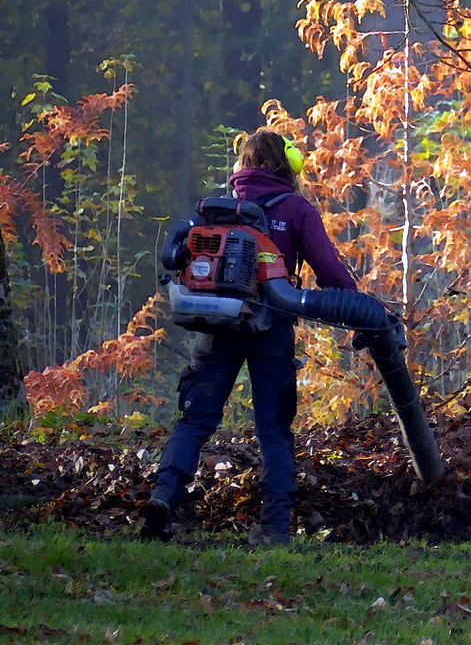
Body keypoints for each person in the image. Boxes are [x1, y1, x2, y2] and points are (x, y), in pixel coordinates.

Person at [141, 129, 359, 544]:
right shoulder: (295, 208)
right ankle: (275, 527)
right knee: (273, 429)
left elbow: (178, 256)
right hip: (271, 328)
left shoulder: (216, 209)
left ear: (242, 166)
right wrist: (359, 309)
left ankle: (163, 500)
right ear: (289, 165)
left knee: (195, 421)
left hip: (214, 326)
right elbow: (329, 269)